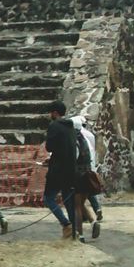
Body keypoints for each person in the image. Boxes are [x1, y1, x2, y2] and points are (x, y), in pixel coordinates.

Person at [43, 101, 79, 239]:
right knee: (68, 200)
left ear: (55, 113)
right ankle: (75, 231)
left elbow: (49, 147)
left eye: (50, 112)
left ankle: (66, 224)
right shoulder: (71, 127)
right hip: (70, 169)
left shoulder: (54, 125)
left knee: (48, 198)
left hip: (57, 170)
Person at [70, 115, 103, 241]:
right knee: (81, 203)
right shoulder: (86, 139)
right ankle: (93, 221)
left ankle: (80, 234)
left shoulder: (75, 142)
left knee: (77, 206)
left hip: (78, 176)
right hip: (88, 173)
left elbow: (74, 159)